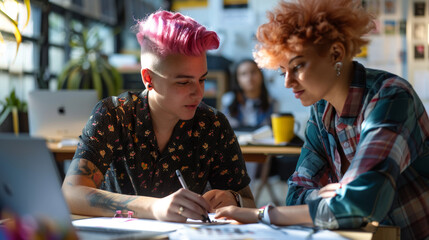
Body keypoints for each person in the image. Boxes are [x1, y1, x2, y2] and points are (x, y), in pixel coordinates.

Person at [214, 1, 429, 239]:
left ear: (336, 53)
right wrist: (328, 198)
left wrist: (262, 214)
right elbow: (295, 194)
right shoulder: (321, 111)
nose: (288, 83)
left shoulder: (390, 96)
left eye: (297, 67)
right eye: (283, 71)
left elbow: (358, 206)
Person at [62, 10, 255, 223]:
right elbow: (71, 194)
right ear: (148, 78)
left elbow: (249, 201)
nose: (198, 93)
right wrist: (154, 207)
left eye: (202, 79)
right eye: (183, 82)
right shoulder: (114, 115)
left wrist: (233, 199)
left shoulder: (212, 125)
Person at [221, 59, 276, 129]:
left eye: (253, 72)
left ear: (261, 75)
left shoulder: (272, 102)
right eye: (243, 74)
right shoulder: (228, 100)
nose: (249, 78)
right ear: (237, 80)